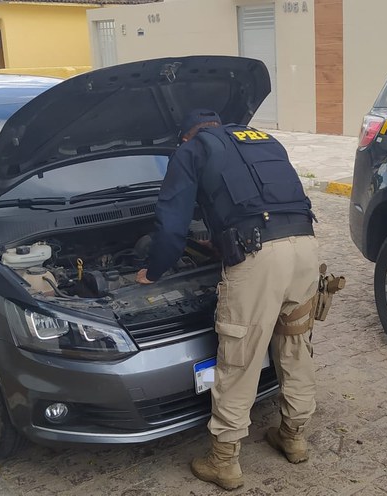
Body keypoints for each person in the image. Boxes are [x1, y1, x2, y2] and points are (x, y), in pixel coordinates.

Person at [136, 109, 320, 491]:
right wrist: (220, 241)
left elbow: (171, 226)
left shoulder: (191, 151)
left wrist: (152, 272)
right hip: (305, 251)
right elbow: (265, 202)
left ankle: (224, 462)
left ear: (186, 136)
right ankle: (294, 436)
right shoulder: (261, 140)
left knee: (239, 358)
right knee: (295, 346)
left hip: (259, 261)